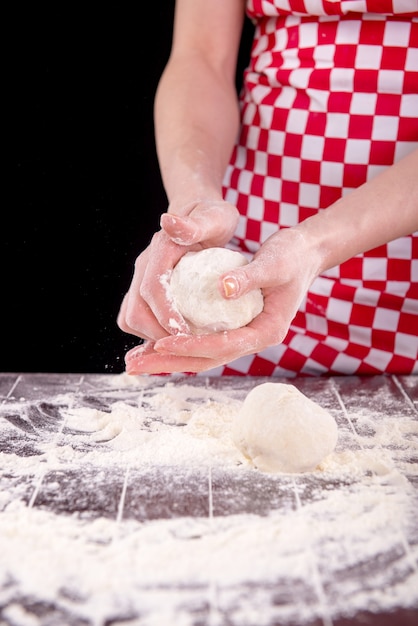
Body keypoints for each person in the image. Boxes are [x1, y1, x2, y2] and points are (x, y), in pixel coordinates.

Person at [118, 0, 418, 377]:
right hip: (256, 269)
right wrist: (195, 200)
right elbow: (201, 57)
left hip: (403, 288)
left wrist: (314, 245)